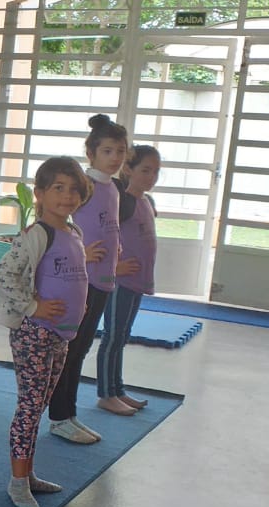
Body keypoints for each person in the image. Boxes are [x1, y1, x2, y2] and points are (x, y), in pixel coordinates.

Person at [0, 157, 96, 507]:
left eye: (73, 190)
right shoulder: (37, 234)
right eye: (58, 188)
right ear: (39, 194)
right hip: (35, 334)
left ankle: (28, 474)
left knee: (38, 407)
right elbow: (3, 274)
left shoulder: (73, 232)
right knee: (29, 406)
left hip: (60, 336)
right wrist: (32, 306)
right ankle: (17, 482)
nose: (67, 196)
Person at [45, 113, 129, 442]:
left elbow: (108, 227)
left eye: (120, 151)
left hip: (103, 278)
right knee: (70, 349)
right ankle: (59, 417)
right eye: (107, 151)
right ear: (91, 153)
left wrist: (116, 249)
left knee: (80, 350)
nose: (115, 157)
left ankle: (69, 413)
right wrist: (80, 252)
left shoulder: (113, 187)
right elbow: (59, 221)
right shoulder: (86, 186)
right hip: (82, 281)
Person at [97, 145, 161, 412]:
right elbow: (103, 236)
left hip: (136, 281)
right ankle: (106, 394)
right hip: (119, 282)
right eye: (145, 170)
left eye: (156, 172)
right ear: (128, 169)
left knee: (123, 335)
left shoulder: (147, 201)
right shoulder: (121, 202)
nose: (151, 177)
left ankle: (118, 389)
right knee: (112, 336)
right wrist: (114, 266)